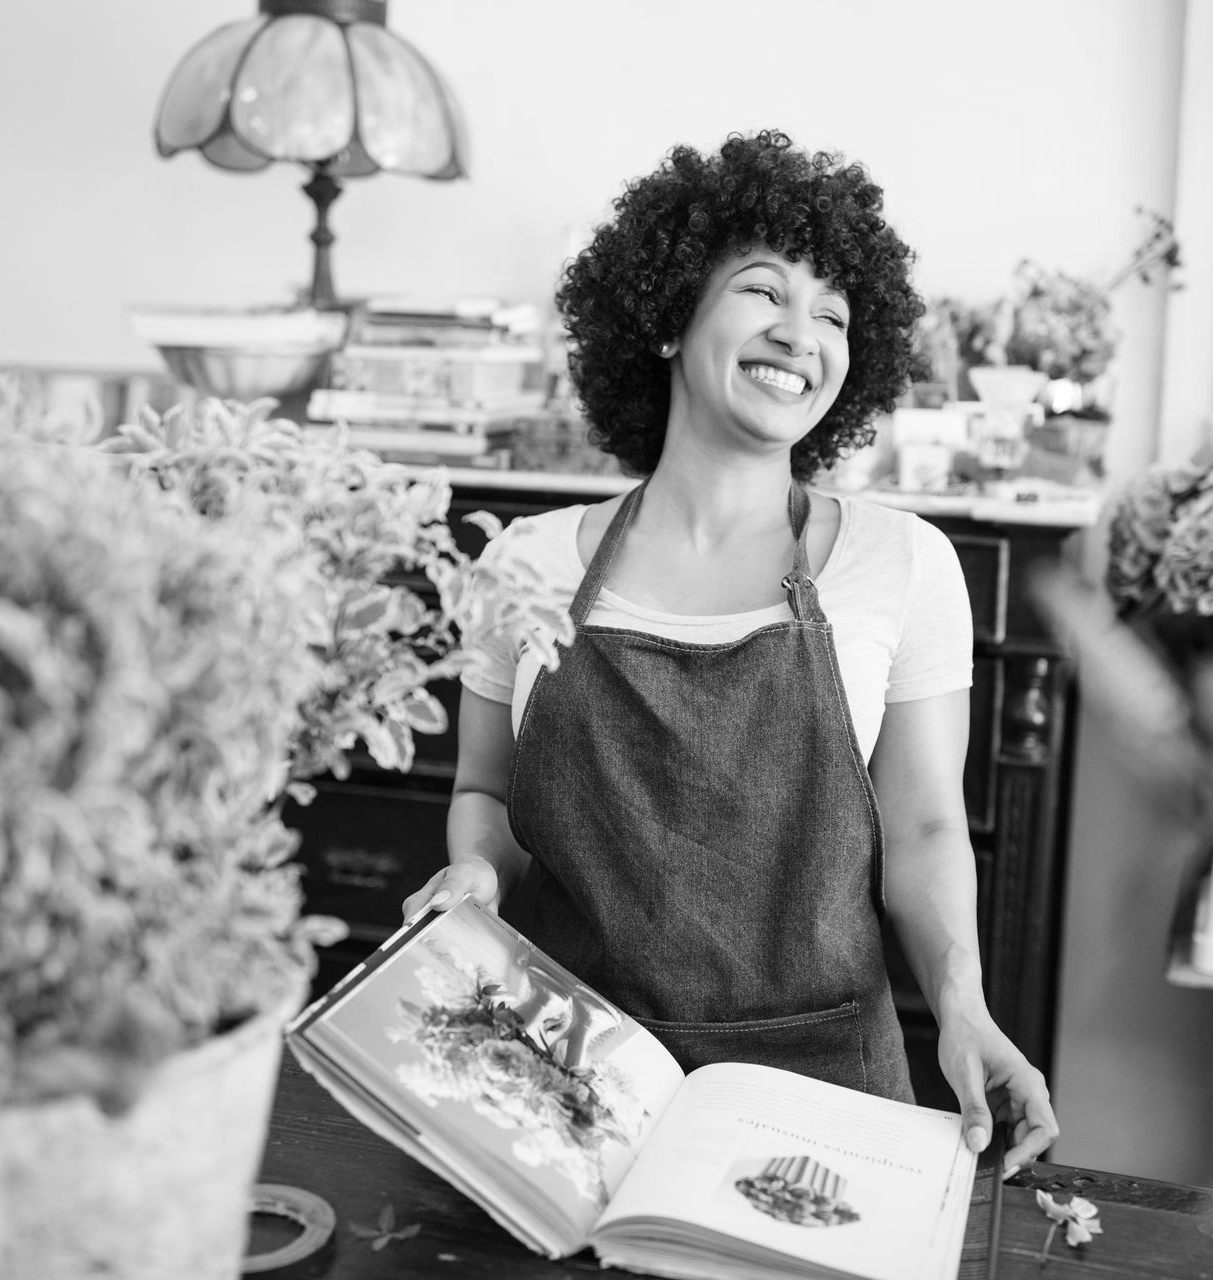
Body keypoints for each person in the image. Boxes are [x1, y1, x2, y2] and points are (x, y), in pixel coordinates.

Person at [404, 130, 1059, 1174]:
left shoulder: (903, 562)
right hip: (558, 1086)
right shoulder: (526, 561)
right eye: (766, 291)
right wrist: (473, 874)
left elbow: (928, 825)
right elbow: (486, 792)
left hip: (819, 1108)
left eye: (835, 314)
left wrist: (964, 1005)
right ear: (668, 318)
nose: (803, 332)